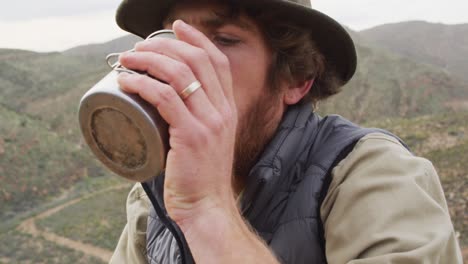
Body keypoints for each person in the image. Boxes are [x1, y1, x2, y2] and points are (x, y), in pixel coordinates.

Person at [109, 0, 463, 263]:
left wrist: (206, 211)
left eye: (224, 39)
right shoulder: (152, 196)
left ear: (296, 79)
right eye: (174, 36)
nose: (188, 61)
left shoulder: (373, 174)